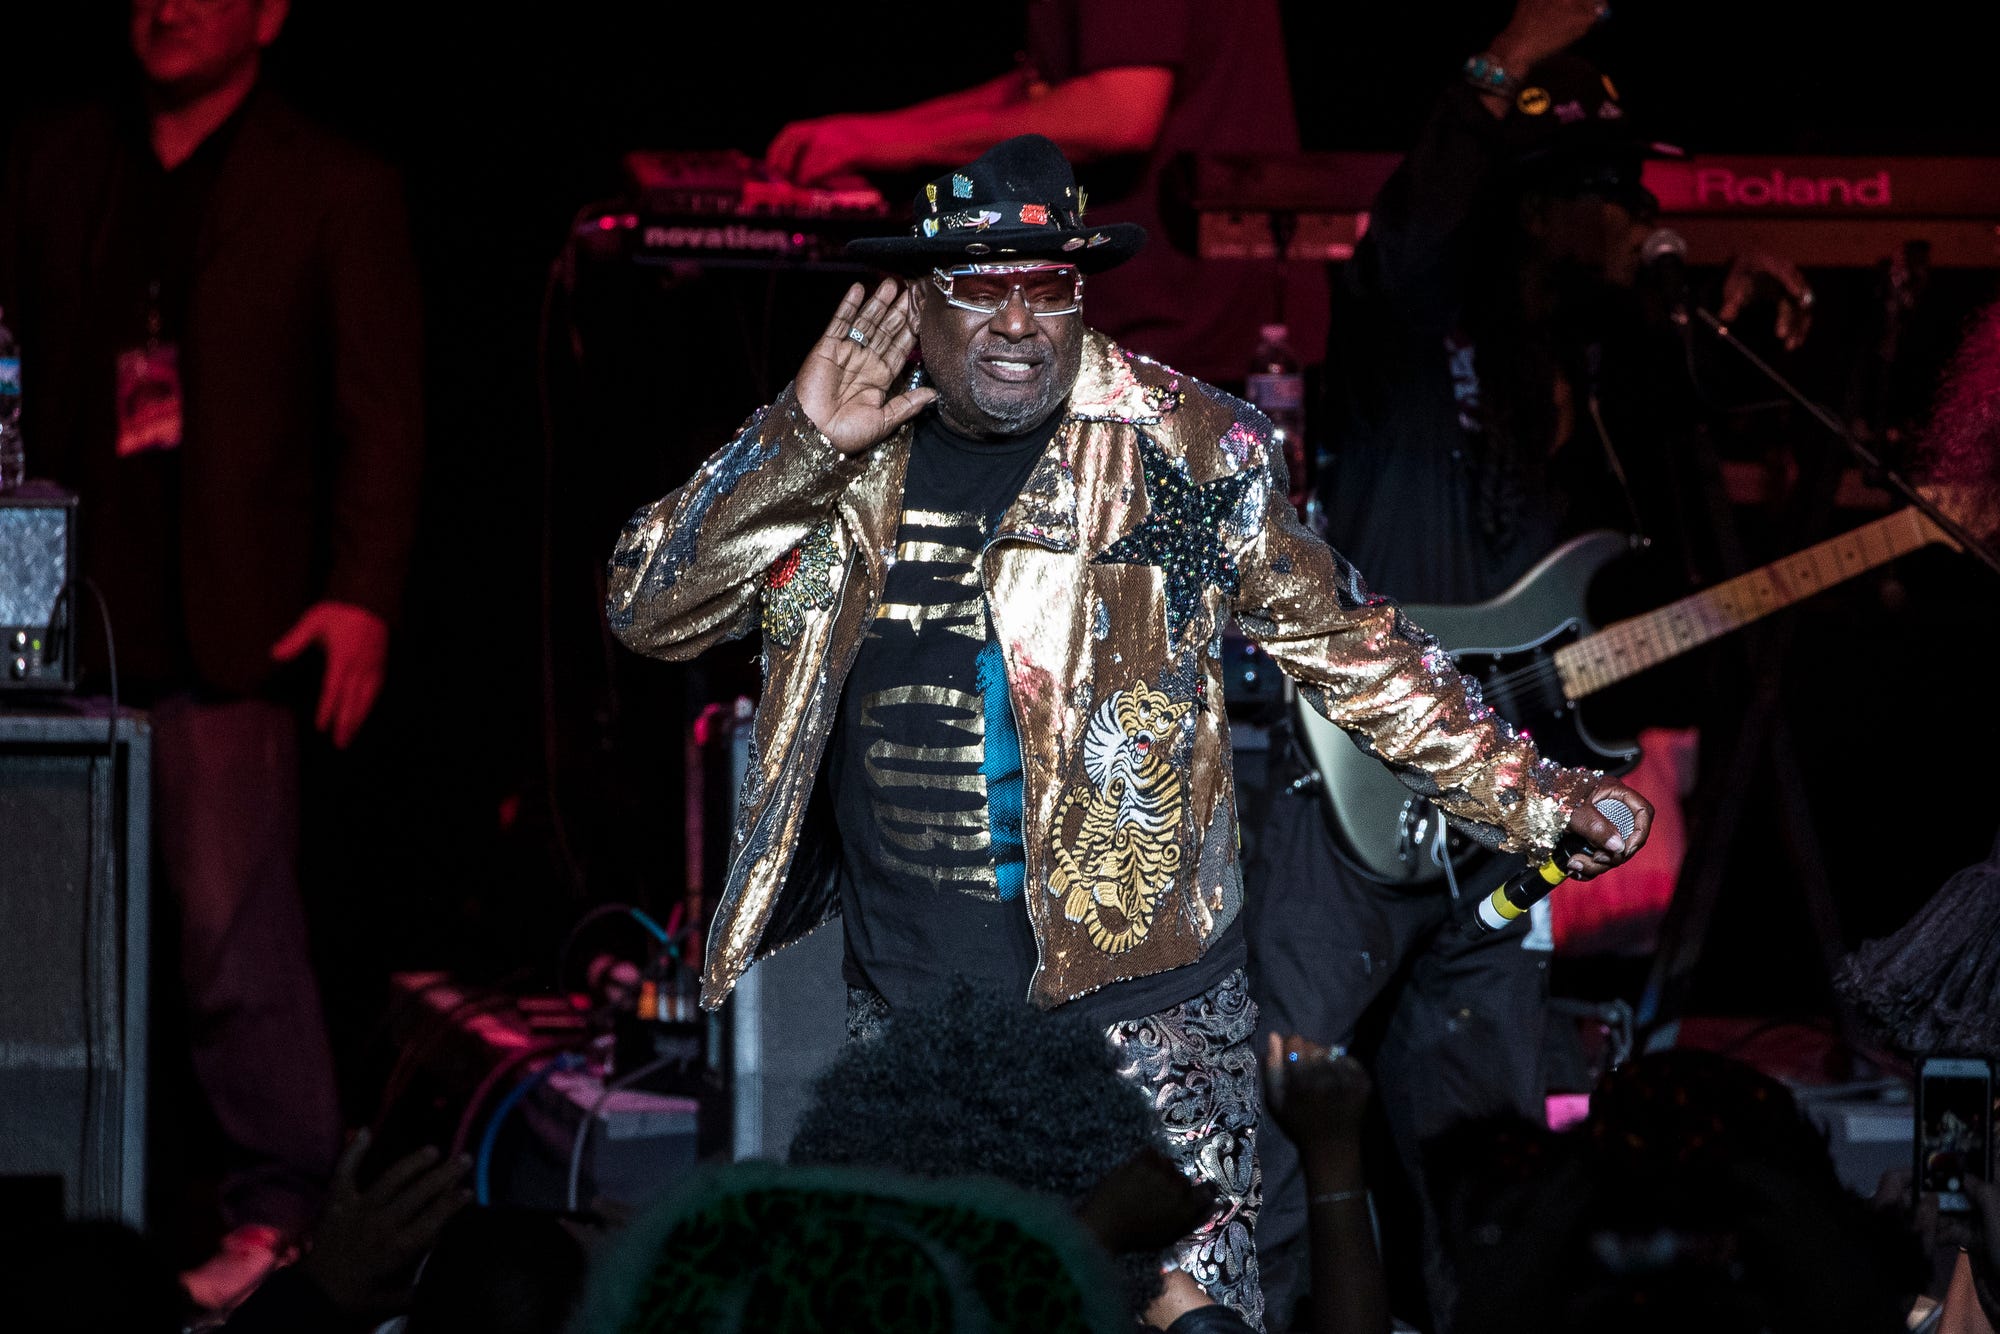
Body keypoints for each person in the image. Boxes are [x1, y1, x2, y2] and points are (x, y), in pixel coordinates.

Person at [605, 132, 1653, 1325]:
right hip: (916, 1035)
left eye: (1046, 285)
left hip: (1141, 1030)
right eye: (982, 287)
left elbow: (1355, 645)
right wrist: (791, 446)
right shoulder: (841, 458)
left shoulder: (1186, 446)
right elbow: (648, 610)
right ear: (917, 302)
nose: (1018, 321)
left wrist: (1538, 794)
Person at [1240, 2, 1814, 1324]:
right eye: (1603, 196)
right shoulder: (1418, 335)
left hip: (1507, 816)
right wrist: (1495, 70)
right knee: (1280, 1107)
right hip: (1357, 787)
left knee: (1486, 1140)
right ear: (1534, 208)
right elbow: (1404, 247)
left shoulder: (1596, 377)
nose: (1630, 219)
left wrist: (1740, 334)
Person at [0, 0, 424, 1307]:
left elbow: (380, 408)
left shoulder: (332, 185)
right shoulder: (60, 159)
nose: (170, 6)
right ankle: (45, 1204)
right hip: (58, 616)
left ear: (271, 14)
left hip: (226, 626)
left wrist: (360, 596)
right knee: (42, 939)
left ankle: (280, 1208)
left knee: (232, 933)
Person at [761, 0, 1326, 390]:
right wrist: (865, 135)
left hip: (1179, 317)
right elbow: (1040, 90)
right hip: (1167, 308)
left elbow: (1121, 111)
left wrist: (879, 143)